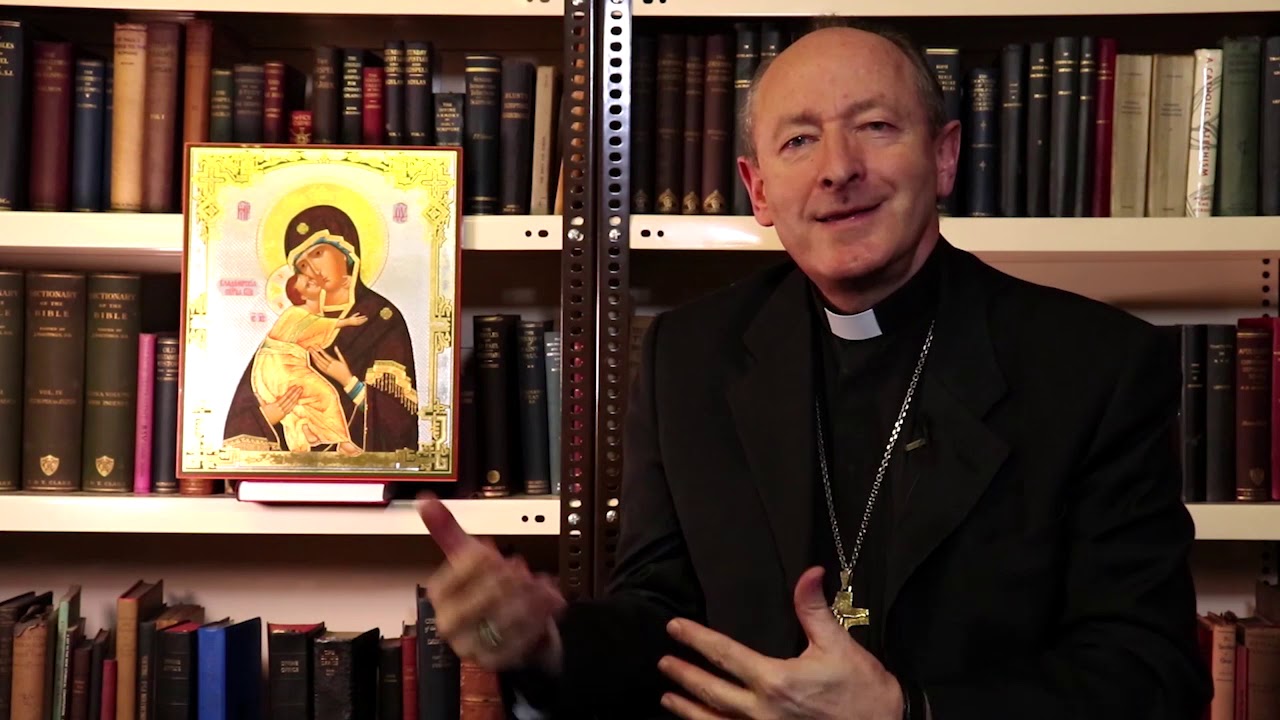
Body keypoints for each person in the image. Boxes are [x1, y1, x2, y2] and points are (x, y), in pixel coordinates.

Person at [417, 21, 1212, 720]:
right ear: (759, 189)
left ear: (944, 157)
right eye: (799, 140)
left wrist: (907, 712)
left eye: (875, 127)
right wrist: (548, 642)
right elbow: (662, 618)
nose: (838, 168)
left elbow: (1152, 677)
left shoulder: (1096, 364)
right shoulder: (687, 356)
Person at [223, 204, 420, 455]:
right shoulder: (294, 322)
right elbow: (243, 415)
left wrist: (349, 382)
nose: (314, 270)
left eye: (318, 253)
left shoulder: (381, 319)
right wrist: (273, 414)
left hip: (361, 471)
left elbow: (400, 422)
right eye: (303, 266)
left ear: (346, 250)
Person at [249, 271, 369, 456]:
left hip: (284, 364)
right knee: (326, 394)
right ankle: (343, 442)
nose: (312, 281)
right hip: (278, 365)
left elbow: (313, 336)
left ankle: (305, 429)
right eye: (307, 284)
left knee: (301, 402)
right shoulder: (295, 313)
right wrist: (346, 322)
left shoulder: (310, 314)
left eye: (310, 279)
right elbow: (317, 325)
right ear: (302, 296)